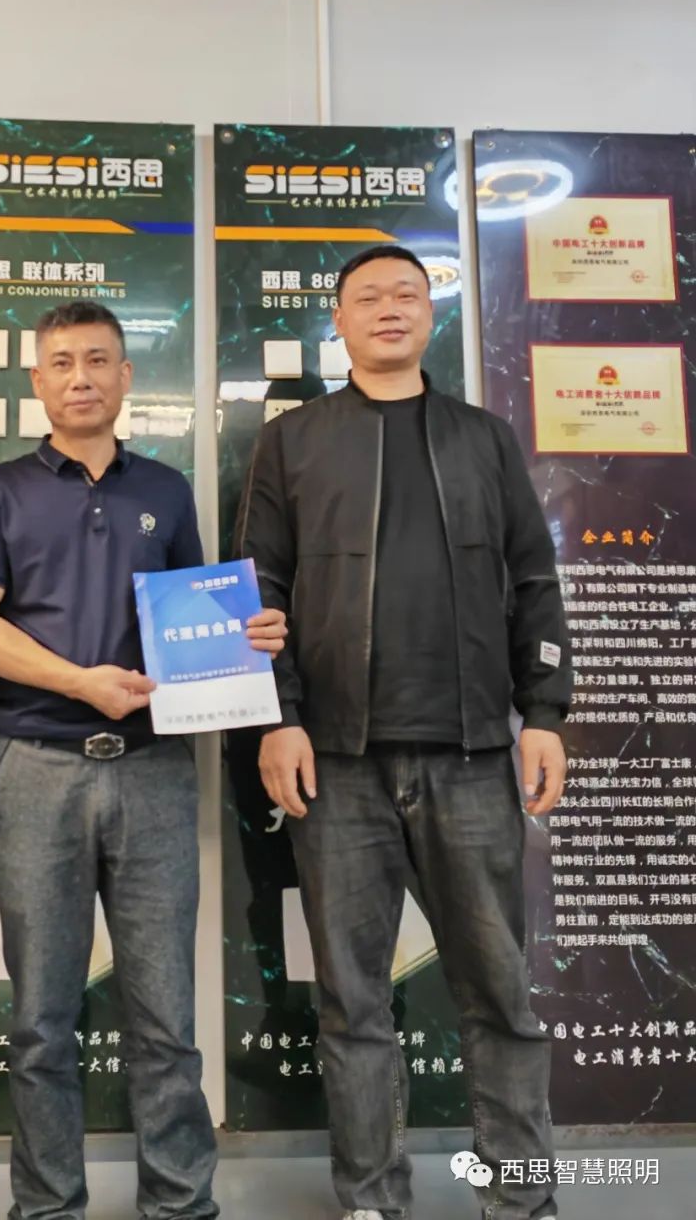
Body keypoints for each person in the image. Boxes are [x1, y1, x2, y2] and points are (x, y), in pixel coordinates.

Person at [236, 245, 571, 1220]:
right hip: (337, 763)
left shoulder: (484, 438)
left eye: (408, 295)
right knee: (353, 1002)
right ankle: (372, 1198)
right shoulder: (293, 442)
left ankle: (520, 1196)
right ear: (338, 321)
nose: (390, 308)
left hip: (471, 756)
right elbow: (259, 588)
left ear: (432, 314)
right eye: (368, 297)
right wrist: (279, 717)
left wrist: (544, 712)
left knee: (499, 994)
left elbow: (534, 577)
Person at [0, 300, 286, 1220]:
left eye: (98, 359)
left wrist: (248, 639)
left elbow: (197, 626)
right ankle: (47, 1205)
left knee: (166, 1017)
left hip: (153, 770)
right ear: (37, 380)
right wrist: (79, 682)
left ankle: (180, 1202)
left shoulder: (166, 491)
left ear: (127, 376)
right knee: (40, 1019)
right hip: (37, 767)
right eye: (61, 362)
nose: (81, 377)